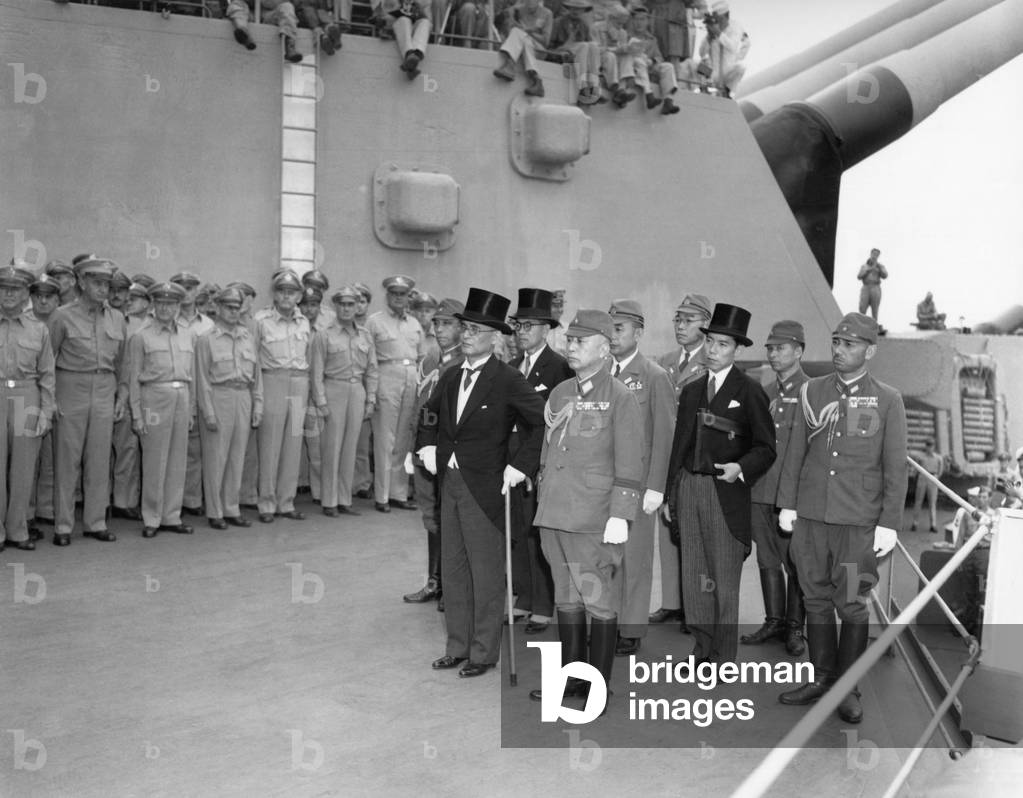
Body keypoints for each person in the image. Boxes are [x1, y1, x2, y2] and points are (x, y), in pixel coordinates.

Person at [777, 312, 907, 724]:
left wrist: (888, 522)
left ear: (870, 351)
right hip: (813, 517)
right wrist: (788, 504)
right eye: (836, 341)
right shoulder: (812, 391)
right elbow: (796, 452)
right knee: (814, 596)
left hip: (856, 523)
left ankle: (847, 688)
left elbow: (895, 467)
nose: (839, 350)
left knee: (851, 603)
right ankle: (821, 677)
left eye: (849, 344)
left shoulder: (887, 399)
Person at [417, 288, 546, 679]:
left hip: (487, 487)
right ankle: (457, 645)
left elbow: (542, 421)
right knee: (454, 568)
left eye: (476, 330)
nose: (467, 335)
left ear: (495, 338)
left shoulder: (507, 379)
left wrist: (521, 465)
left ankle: (484, 651)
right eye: (465, 328)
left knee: (486, 572)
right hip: (450, 481)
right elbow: (429, 414)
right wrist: (426, 446)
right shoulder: (452, 374)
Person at [528, 309, 644, 707]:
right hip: (555, 513)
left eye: (581, 341)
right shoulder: (561, 392)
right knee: (566, 597)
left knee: (597, 600)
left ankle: (598, 687)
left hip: (592, 517)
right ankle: (573, 680)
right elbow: (548, 452)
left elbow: (630, 462)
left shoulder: (620, 397)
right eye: (570, 340)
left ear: (604, 348)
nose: (571, 346)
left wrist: (620, 514)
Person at [664, 303, 775, 666]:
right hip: (689, 488)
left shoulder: (750, 391)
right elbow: (679, 445)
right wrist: (670, 495)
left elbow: (766, 448)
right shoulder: (693, 390)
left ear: (737, 349)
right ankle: (701, 648)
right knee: (695, 577)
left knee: (723, 580)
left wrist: (740, 468)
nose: (713, 350)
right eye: (710, 342)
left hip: (724, 492)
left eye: (723, 344)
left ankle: (722, 656)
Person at [607, 299, 675, 656]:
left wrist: (656, 487)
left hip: (637, 485)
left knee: (635, 558)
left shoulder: (654, 376)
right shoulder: (599, 372)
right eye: (610, 328)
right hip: (601, 483)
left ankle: (631, 628)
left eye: (619, 328)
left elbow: (664, 435)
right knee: (606, 556)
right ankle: (607, 620)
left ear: (639, 333)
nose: (612, 335)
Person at [507, 288, 575, 633]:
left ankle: (544, 605)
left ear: (546, 329)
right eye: (518, 325)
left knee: (538, 535)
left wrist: (532, 465)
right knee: (516, 531)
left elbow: (558, 424)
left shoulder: (559, 367)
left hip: (538, 462)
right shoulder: (510, 367)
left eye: (529, 326)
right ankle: (524, 596)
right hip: (510, 461)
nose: (521, 332)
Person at [741, 320, 809, 657]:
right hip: (761, 490)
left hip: (791, 495)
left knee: (795, 562)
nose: (773, 353)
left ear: (798, 351)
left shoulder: (812, 392)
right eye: (770, 348)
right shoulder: (764, 392)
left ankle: (795, 628)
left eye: (781, 348)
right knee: (767, 558)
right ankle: (774, 621)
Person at [49, 257, 128, 547]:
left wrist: (122, 395)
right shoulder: (62, 316)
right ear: (81, 282)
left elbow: (123, 363)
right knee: (67, 460)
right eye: (97, 282)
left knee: (99, 459)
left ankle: (96, 522)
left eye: (107, 283)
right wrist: (50, 398)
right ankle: (63, 525)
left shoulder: (117, 318)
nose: (103, 288)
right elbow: (47, 360)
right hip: (71, 385)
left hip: (105, 387)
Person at [650, 292, 711, 628]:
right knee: (666, 532)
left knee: (693, 536)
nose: (680, 325)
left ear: (706, 323)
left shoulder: (711, 361)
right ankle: (672, 602)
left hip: (694, 456)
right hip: (666, 454)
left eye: (689, 320)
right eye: (678, 319)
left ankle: (694, 607)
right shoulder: (665, 361)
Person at [403, 297, 465, 605]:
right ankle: (434, 582)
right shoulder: (430, 361)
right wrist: (410, 448)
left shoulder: (464, 364)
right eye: (437, 323)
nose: (439, 329)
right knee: (430, 514)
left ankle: (452, 587)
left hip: (446, 453)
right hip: (424, 450)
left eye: (447, 324)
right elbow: (419, 406)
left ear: (462, 327)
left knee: (450, 517)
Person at [127, 282, 196, 538]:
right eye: (161, 303)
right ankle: (152, 516)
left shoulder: (188, 334)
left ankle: (171, 515)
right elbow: (133, 377)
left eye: (171, 303)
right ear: (154, 305)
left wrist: (192, 410)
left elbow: (192, 375)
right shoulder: (141, 336)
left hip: (182, 397)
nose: (166, 308)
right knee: (155, 460)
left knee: (178, 461)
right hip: (154, 398)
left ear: (178, 306)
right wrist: (137, 414)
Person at [194, 287, 263, 530]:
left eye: (237, 308)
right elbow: (202, 378)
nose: (233, 312)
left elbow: (257, 376)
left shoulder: (247, 337)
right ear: (219, 308)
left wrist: (258, 405)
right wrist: (208, 411)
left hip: (243, 396)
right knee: (216, 457)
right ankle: (215, 511)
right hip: (219, 396)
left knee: (237, 457)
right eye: (228, 307)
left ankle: (231, 507)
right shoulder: (207, 339)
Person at [311, 286, 379, 517]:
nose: (347, 309)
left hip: (356, 390)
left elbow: (372, 370)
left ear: (357, 306)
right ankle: (329, 500)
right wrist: (321, 401)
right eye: (342, 304)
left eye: (351, 304)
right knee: (331, 448)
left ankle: (344, 498)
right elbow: (316, 371)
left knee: (350, 447)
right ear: (336, 306)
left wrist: (370, 399)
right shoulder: (324, 335)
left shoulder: (365, 336)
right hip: (334, 389)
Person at [0, 267, 55, 553]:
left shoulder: (38, 329)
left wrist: (46, 411)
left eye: (16, 288)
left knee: (23, 469)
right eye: (4, 287)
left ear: (26, 294)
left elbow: (47, 374)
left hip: (26, 395)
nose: (9, 293)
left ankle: (18, 529)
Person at [253, 269, 312, 524]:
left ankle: (286, 501)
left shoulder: (304, 322)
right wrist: (257, 394)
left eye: (291, 292)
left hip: (299, 382)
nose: (286, 296)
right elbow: (254, 360)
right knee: (270, 444)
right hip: (272, 380)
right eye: (281, 291)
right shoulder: (261, 320)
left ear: (299, 296)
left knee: (293, 444)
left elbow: (308, 356)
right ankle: (267, 502)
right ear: (274, 294)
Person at [366, 275, 425, 513]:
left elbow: (421, 357)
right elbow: (369, 358)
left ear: (408, 297)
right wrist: (372, 391)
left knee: (402, 439)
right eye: (394, 294)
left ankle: (398, 493)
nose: (398, 298)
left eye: (403, 294)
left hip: (410, 378)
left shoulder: (414, 324)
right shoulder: (375, 322)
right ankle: (381, 495)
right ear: (387, 296)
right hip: (386, 376)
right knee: (384, 439)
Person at [172, 271, 216, 517]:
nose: (185, 293)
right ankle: (171, 502)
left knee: (196, 448)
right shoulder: (166, 320)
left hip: (202, 388)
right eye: (180, 287)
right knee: (173, 448)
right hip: (176, 387)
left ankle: (191, 499)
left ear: (197, 291)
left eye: (190, 288)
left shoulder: (208, 324)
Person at [26, 275, 62, 540]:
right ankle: (25, 514)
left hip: (61, 395)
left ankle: (46, 509)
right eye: (38, 296)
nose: (43, 301)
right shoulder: (25, 322)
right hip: (28, 396)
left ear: (57, 299)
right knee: (28, 462)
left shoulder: (63, 321)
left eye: (49, 296)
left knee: (51, 458)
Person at [620, 6, 681, 114]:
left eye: (642, 19)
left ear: (647, 21)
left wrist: (652, 61)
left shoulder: (652, 39)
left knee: (668, 66)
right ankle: (649, 96)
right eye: (637, 19)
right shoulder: (626, 35)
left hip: (648, 68)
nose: (639, 23)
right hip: (633, 68)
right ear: (632, 21)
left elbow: (659, 57)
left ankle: (668, 101)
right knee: (638, 60)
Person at [686, 0, 749, 98]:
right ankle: (702, 90)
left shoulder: (735, 28)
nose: (717, 21)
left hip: (727, 72)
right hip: (712, 74)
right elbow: (701, 53)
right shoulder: (712, 30)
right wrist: (709, 38)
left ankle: (727, 91)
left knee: (741, 68)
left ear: (724, 17)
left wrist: (719, 33)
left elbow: (733, 47)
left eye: (718, 19)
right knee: (691, 64)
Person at [493, 0, 553, 98]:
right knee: (520, 35)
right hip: (523, 45)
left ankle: (510, 65)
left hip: (539, 49)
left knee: (518, 32)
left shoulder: (547, 13)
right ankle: (536, 79)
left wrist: (529, 32)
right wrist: (513, 10)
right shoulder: (519, 9)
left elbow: (545, 41)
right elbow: (505, 16)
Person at [549, 0, 602, 106]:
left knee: (593, 46)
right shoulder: (558, 22)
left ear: (583, 11)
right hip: (560, 53)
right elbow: (550, 45)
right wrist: (565, 46)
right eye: (573, 8)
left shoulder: (584, 25)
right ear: (569, 9)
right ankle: (583, 86)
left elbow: (590, 46)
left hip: (579, 55)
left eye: (579, 9)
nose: (575, 11)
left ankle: (594, 86)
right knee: (584, 46)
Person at [226, 0, 304, 62]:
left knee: (287, 7)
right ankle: (242, 32)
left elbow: (296, 4)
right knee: (237, 4)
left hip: (271, 16)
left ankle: (290, 46)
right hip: (250, 14)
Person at [376, 0, 432, 79]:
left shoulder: (424, 2)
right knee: (404, 20)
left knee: (425, 22)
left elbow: (430, 23)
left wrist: (417, 10)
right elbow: (382, 17)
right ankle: (411, 61)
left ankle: (415, 56)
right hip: (396, 25)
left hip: (414, 26)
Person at [911, 438, 943, 533]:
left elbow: (940, 470)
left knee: (932, 503)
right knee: (918, 501)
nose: (929, 447)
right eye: (928, 445)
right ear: (926, 446)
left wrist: (936, 477)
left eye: (931, 445)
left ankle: (933, 524)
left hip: (933, 477)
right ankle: (915, 523)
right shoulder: (920, 457)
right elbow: (916, 468)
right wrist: (915, 475)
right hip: (922, 477)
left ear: (934, 446)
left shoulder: (938, 458)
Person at [857, 247, 887, 322]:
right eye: (873, 254)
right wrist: (869, 269)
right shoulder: (865, 266)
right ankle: (861, 324)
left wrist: (879, 268)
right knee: (862, 307)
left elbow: (885, 275)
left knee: (875, 309)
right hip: (866, 287)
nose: (874, 256)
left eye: (877, 254)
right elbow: (859, 276)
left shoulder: (880, 266)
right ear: (871, 254)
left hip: (875, 287)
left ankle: (874, 325)